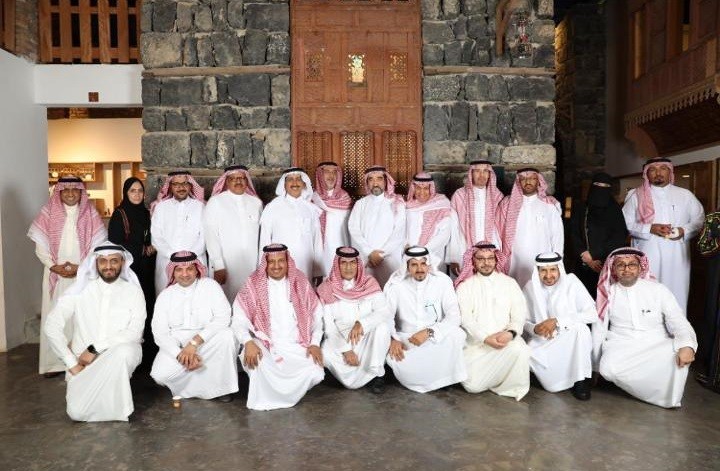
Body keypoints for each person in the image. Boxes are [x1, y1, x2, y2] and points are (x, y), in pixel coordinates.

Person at [43, 242, 146, 421]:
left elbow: (135, 332)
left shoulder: (133, 292)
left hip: (117, 356)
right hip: (83, 364)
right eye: (103, 261)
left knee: (124, 351)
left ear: (122, 263)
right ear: (95, 263)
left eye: (114, 261)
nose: (108, 266)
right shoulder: (79, 290)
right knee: (77, 413)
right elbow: (51, 325)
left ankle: (117, 406)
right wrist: (71, 363)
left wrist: (95, 348)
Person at [594, 247, 697, 408]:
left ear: (640, 267)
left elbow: (678, 320)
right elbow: (599, 330)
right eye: (620, 265)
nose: (626, 269)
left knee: (678, 352)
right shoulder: (608, 294)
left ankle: (662, 395)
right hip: (622, 344)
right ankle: (652, 388)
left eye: (632, 264)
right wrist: (594, 366)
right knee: (607, 369)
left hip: (656, 343)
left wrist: (687, 346)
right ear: (613, 269)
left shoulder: (658, 290)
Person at [28, 176, 107, 376]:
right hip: (56, 272)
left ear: (81, 192)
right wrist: (54, 266)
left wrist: (81, 268)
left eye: (75, 189)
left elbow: (98, 247)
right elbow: (40, 245)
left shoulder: (90, 214)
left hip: (83, 273)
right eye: (66, 190)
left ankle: (80, 359)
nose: (71, 193)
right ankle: (54, 364)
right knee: (55, 317)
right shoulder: (48, 213)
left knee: (81, 316)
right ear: (59, 192)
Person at [232, 244, 324, 410]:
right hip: (265, 344)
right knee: (257, 364)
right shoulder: (253, 284)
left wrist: (315, 343)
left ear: (288, 262)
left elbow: (317, 314)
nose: (276, 266)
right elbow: (238, 319)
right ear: (265, 264)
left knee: (316, 371)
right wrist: (248, 342)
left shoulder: (299, 281)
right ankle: (268, 399)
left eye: (281, 261)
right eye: (271, 262)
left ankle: (288, 394)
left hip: (296, 345)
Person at [150, 251, 238, 402]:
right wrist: (180, 354)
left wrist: (194, 343)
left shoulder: (210, 286)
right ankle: (194, 387)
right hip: (178, 345)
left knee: (227, 335)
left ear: (197, 270)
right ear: (173, 272)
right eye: (179, 270)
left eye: (189, 269)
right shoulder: (165, 295)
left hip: (207, 340)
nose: (185, 274)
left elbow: (223, 317)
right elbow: (160, 332)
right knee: (160, 375)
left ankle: (219, 389)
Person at [622, 158, 705, 311]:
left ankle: (676, 325)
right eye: (653, 169)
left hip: (677, 256)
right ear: (647, 173)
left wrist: (683, 230)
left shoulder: (685, 195)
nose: (658, 173)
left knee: (676, 294)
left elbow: (699, 219)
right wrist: (649, 228)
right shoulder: (635, 195)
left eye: (663, 168)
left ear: (670, 172)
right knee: (647, 293)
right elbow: (625, 223)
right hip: (647, 253)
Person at [384, 246, 467, 393]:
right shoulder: (396, 285)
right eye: (414, 265)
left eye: (423, 263)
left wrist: (430, 332)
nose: (419, 269)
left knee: (458, 334)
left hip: (434, 337)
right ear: (407, 266)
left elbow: (454, 315)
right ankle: (438, 376)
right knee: (396, 355)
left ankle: (439, 376)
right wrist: (393, 338)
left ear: (429, 264)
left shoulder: (442, 282)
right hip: (407, 339)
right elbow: (386, 316)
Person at [455, 242, 530, 400]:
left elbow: (519, 314)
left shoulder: (509, 283)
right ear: (473, 261)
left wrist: (510, 333)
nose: (486, 263)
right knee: (472, 386)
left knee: (520, 349)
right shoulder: (465, 287)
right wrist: (485, 338)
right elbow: (466, 319)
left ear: (496, 260)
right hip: (477, 346)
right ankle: (495, 376)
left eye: (490, 258)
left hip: (506, 342)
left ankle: (506, 385)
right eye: (481, 259)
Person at [522, 253, 597, 400]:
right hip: (543, 339)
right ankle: (549, 377)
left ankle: (580, 380)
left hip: (569, 336)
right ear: (537, 271)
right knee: (527, 355)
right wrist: (535, 328)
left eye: (553, 270)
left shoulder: (571, 282)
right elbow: (523, 320)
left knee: (581, 329)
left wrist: (557, 321)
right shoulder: (530, 287)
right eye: (543, 270)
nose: (548, 275)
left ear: (559, 269)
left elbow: (592, 314)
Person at [317, 246, 391, 393]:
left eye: (352, 263)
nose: (348, 267)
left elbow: (383, 311)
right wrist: (346, 350)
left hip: (366, 336)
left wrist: (362, 324)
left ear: (358, 265)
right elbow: (329, 327)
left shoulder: (369, 283)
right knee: (325, 351)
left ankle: (376, 375)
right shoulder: (327, 288)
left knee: (382, 328)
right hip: (341, 337)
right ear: (337, 265)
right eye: (344, 263)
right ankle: (346, 377)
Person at [108, 177, 157, 364]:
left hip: (147, 270)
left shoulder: (146, 213)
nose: (137, 194)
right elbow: (116, 244)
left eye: (140, 191)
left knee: (148, 307)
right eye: (132, 191)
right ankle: (129, 354)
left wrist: (152, 247)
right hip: (129, 272)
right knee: (131, 310)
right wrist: (142, 250)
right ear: (126, 193)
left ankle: (147, 354)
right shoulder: (119, 215)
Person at [204, 165, 263, 300]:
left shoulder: (256, 203)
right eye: (233, 178)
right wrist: (218, 265)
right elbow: (211, 235)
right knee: (225, 300)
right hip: (226, 265)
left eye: (242, 178)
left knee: (251, 300)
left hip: (252, 264)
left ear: (247, 181)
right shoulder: (216, 202)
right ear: (226, 181)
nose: (238, 181)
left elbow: (261, 236)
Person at [497, 168, 564, 288]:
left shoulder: (549, 205)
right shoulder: (506, 204)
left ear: (538, 181)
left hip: (542, 261)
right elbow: (497, 232)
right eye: (523, 179)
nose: (528, 182)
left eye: (532, 178)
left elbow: (557, 236)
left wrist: (557, 260)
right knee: (515, 291)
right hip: (514, 260)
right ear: (518, 182)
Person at [569, 172, 628, 298]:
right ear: (592, 187)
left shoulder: (615, 211)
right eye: (598, 185)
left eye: (605, 186)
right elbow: (573, 232)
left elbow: (619, 236)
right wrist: (584, 254)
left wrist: (595, 256)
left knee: (605, 297)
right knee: (583, 297)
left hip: (606, 264)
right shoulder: (582, 208)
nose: (601, 189)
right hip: (583, 262)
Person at [259, 168, 324, 281]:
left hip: (306, 265)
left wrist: (318, 271)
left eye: (298, 179)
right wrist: (262, 268)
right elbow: (264, 240)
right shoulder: (273, 207)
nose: (295, 183)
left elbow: (317, 241)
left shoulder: (311, 208)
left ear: (304, 184)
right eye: (290, 179)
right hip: (279, 265)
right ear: (284, 185)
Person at [348, 166, 406, 287]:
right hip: (367, 258)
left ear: (385, 181)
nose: (375, 183)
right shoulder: (360, 204)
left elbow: (399, 232)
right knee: (367, 291)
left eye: (379, 179)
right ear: (367, 183)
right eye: (371, 179)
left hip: (389, 259)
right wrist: (369, 252)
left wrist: (380, 255)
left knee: (391, 290)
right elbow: (354, 230)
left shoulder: (397, 203)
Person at [151, 170, 206, 295]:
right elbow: (156, 236)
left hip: (195, 262)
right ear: (170, 186)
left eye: (184, 183)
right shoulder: (161, 207)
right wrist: (172, 255)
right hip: (167, 261)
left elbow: (205, 236)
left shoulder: (200, 207)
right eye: (176, 184)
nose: (181, 187)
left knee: (196, 298)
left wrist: (190, 256)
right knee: (167, 298)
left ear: (190, 186)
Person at [449, 160, 504, 275]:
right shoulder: (459, 195)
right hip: (463, 247)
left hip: (491, 249)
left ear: (489, 174)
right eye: (477, 171)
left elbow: (501, 228)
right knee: (466, 283)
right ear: (471, 173)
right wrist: (453, 257)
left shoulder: (497, 196)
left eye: (485, 171)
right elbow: (453, 228)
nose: (481, 175)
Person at [405, 172, 455, 271]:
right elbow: (403, 230)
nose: (421, 192)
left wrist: (423, 251)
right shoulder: (407, 206)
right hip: (410, 255)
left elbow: (444, 235)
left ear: (430, 189)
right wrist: (406, 246)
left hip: (434, 256)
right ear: (413, 189)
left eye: (425, 188)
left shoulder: (442, 204)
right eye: (418, 188)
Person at [311, 161, 353, 275]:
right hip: (319, 249)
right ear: (320, 175)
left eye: (334, 172)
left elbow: (352, 228)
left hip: (341, 246)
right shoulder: (311, 199)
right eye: (327, 172)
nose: (331, 175)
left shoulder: (345, 198)